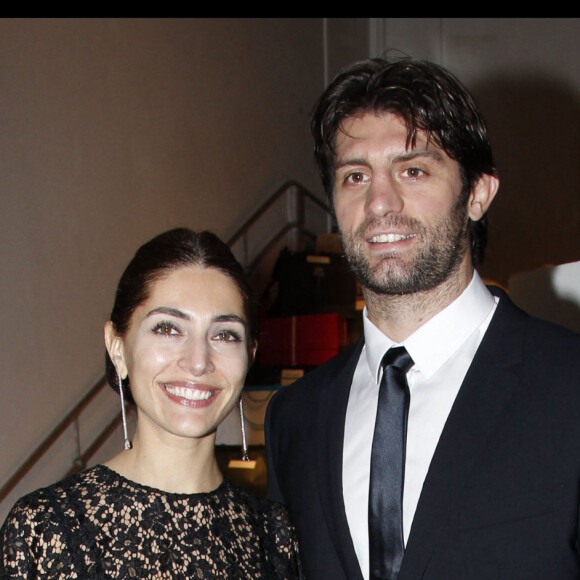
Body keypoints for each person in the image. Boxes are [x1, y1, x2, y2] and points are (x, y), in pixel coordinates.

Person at [265, 56, 580, 580]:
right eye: (355, 175)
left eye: (413, 170)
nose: (380, 202)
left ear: (477, 194)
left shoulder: (569, 387)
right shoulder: (295, 417)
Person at [1, 228, 302, 579]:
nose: (198, 361)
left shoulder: (274, 534)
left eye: (224, 334)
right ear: (118, 348)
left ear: (249, 355)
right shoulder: (45, 529)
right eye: (168, 329)